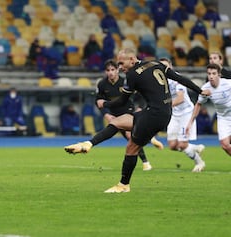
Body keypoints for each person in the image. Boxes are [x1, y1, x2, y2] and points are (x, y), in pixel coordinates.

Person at [64, 48, 209, 193]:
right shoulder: (155, 64)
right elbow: (180, 78)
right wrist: (200, 90)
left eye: (121, 63)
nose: (120, 67)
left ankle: (123, 185)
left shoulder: (132, 75)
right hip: (163, 113)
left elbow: (121, 101)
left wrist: (105, 104)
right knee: (117, 122)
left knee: (131, 148)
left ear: (132, 60)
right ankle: (88, 144)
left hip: (154, 115)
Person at [96, 59, 163, 171]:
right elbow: (98, 102)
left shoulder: (125, 82)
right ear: (105, 72)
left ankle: (146, 162)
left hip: (128, 111)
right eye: (108, 70)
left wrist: (140, 106)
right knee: (131, 139)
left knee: (130, 136)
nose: (111, 72)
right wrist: (106, 114)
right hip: (115, 115)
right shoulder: (102, 85)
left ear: (117, 70)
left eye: (113, 69)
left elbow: (140, 95)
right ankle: (149, 141)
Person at [159, 58, 206, 172]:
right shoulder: (159, 82)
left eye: (166, 67)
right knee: (172, 145)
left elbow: (180, 98)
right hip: (174, 115)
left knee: (182, 144)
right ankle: (194, 147)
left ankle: (199, 162)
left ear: (171, 67)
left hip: (186, 114)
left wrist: (165, 107)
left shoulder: (177, 78)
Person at [187, 64, 231, 156]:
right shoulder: (206, 89)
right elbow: (198, 104)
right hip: (223, 118)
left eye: (214, 73)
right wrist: (190, 122)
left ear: (219, 74)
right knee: (225, 146)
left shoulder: (228, 84)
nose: (211, 76)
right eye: (209, 73)